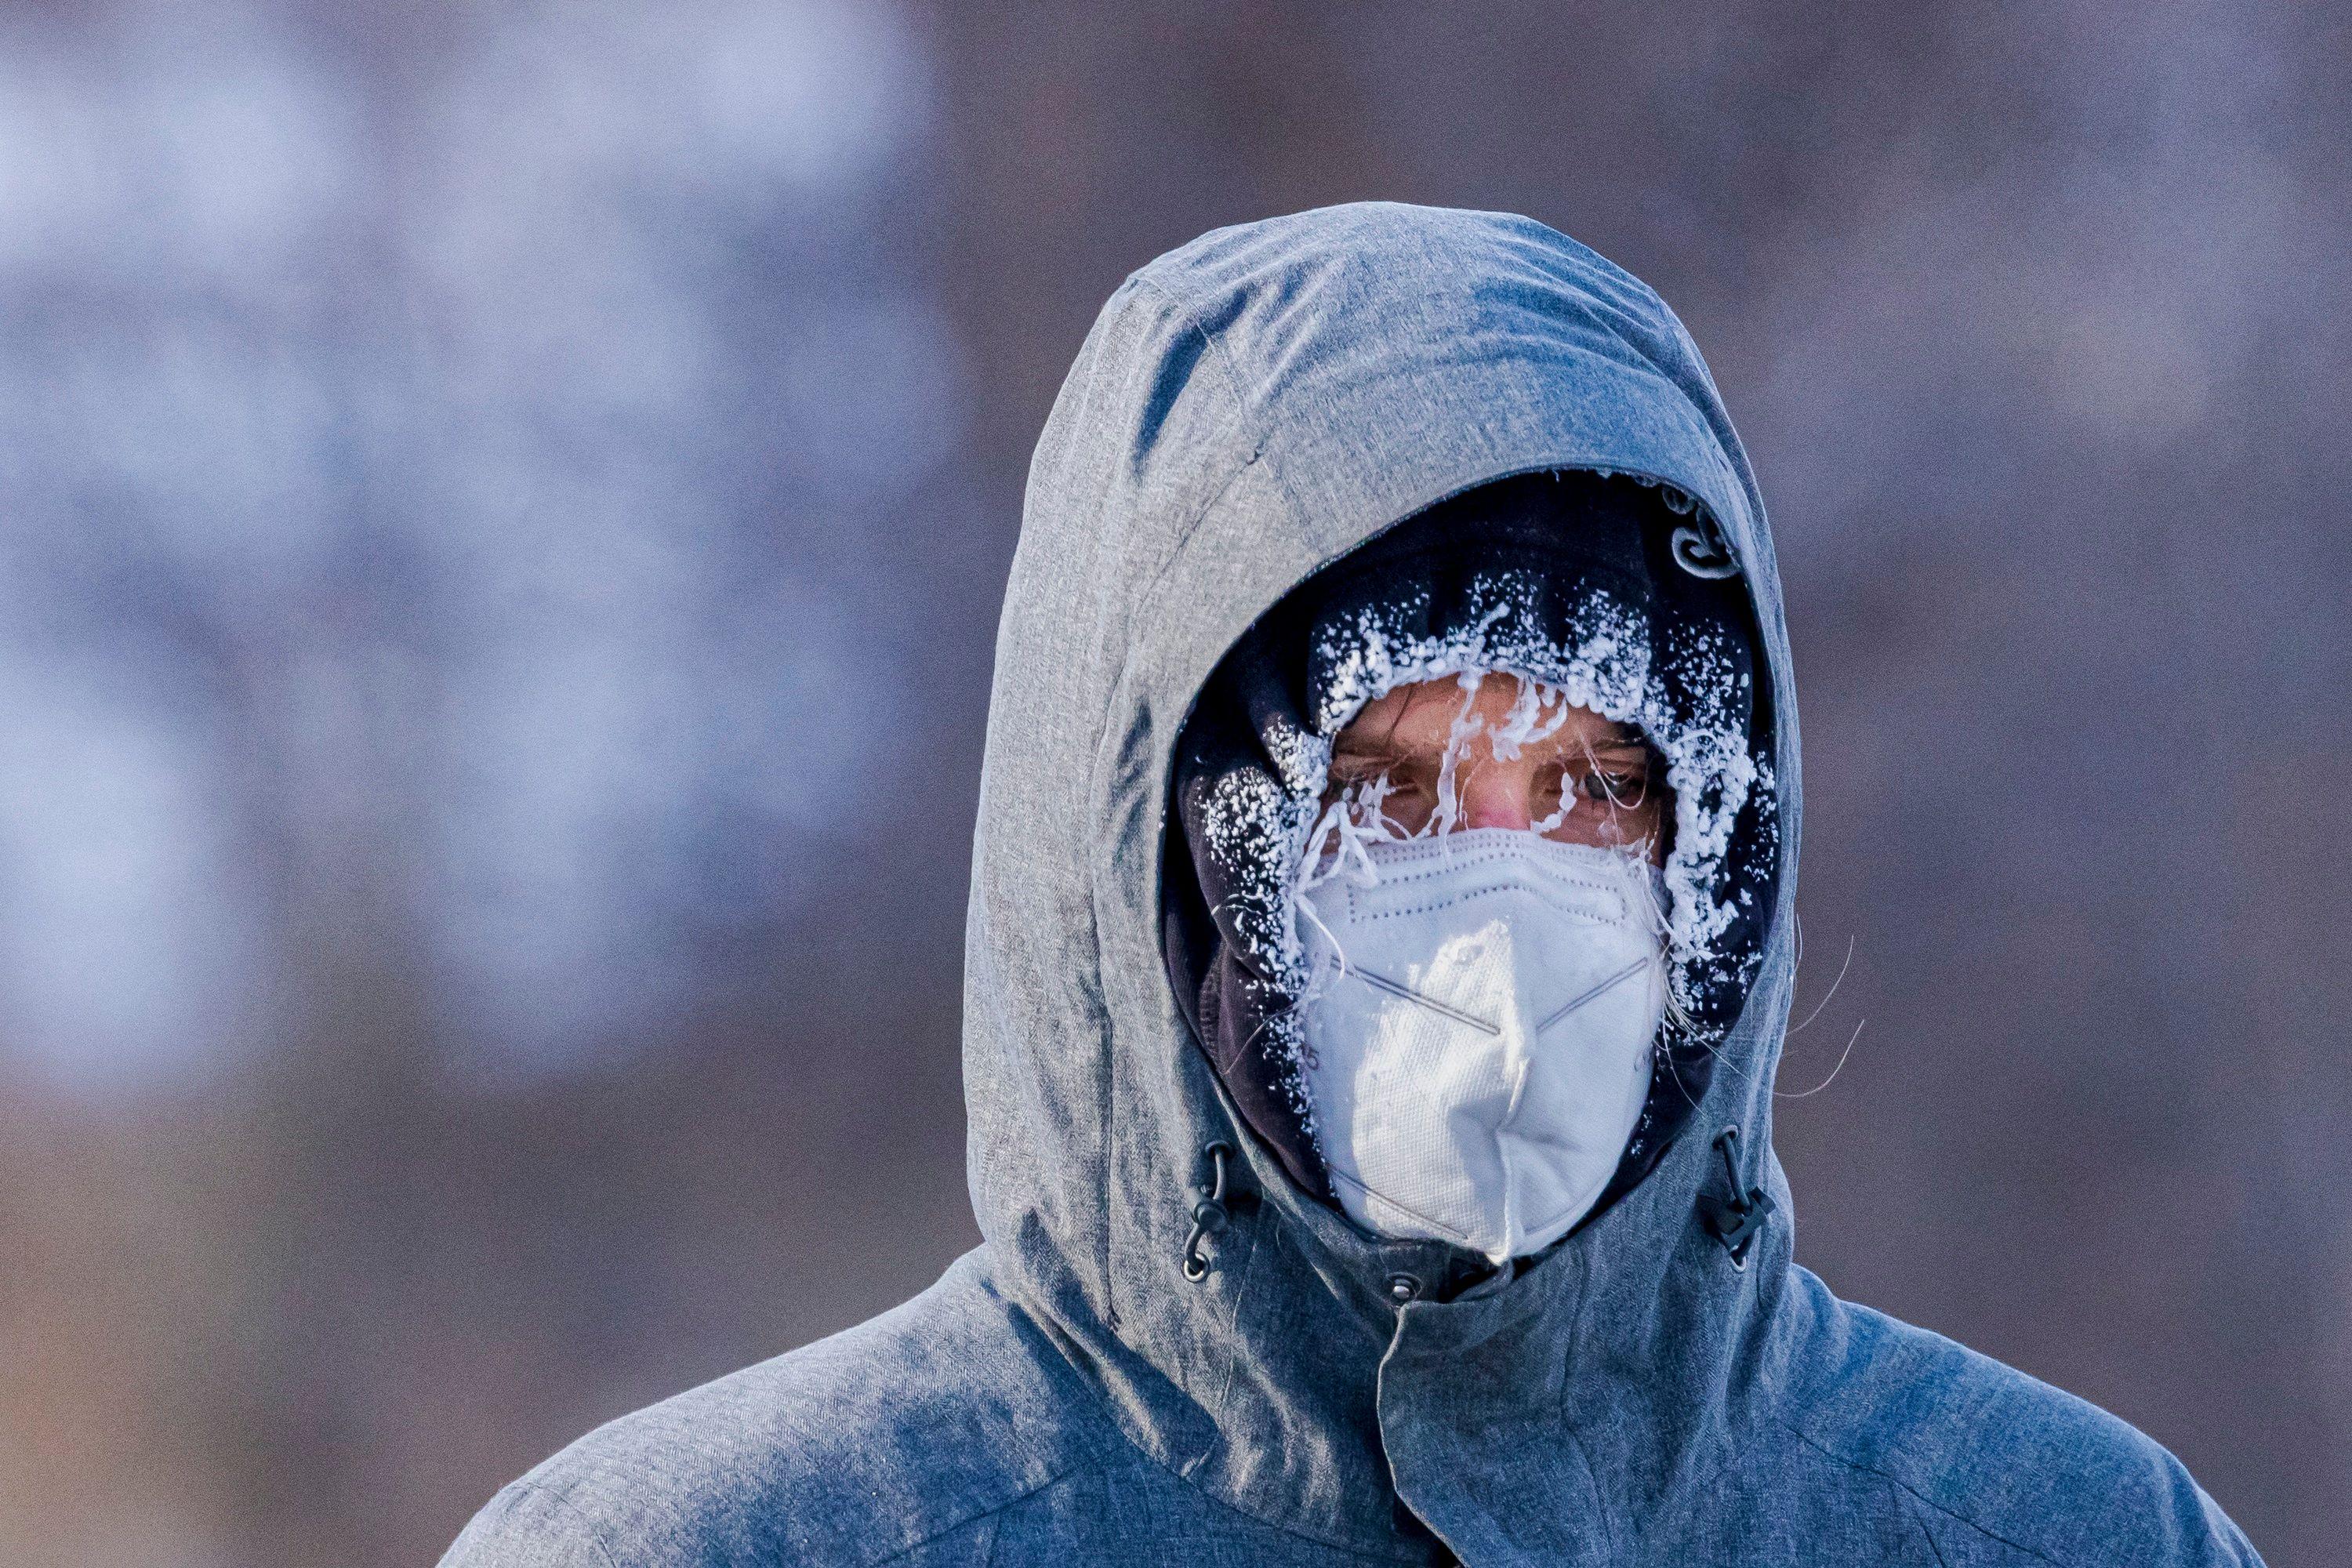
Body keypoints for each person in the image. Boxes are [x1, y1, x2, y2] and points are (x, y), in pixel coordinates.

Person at [441, 203, 2264, 1566]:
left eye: (1588, 787)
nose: (1493, 908)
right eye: (1383, 798)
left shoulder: (2058, 1535)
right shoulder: (717, 1550)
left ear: (1718, 844)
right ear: (1160, 854)